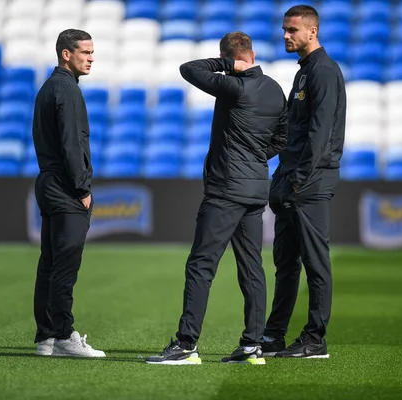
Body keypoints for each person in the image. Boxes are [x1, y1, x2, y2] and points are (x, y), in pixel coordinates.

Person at [146, 32, 288, 365]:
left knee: (201, 266)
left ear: (232, 59)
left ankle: (186, 345)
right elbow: (282, 138)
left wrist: (227, 66)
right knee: (252, 269)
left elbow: (189, 68)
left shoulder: (233, 86)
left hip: (226, 190)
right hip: (255, 190)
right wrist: (254, 158)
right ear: (253, 55)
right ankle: (253, 346)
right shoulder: (274, 90)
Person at [261, 5, 346, 358]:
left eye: (292, 30)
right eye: (284, 29)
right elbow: (295, 133)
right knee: (286, 263)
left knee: (315, 262)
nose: (285, 35)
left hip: (309, 181)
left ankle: (315, 338)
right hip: (291, 179)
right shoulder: (304, 72)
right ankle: (273, 335)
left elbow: (319, 135)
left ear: (311, 32)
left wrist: (297, 180)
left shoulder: (323, 72)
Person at [32, 29, 105, 358]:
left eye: (92, 53)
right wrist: (82, 187)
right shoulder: (68, 91)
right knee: (65, 265)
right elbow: (71, 144)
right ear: (66, 54)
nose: (91, 58)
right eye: (85, 52)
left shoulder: (48, 88)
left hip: (47, 181)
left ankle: (46, 337)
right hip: (65, 186)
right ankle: (63, 335)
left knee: (48, 263)